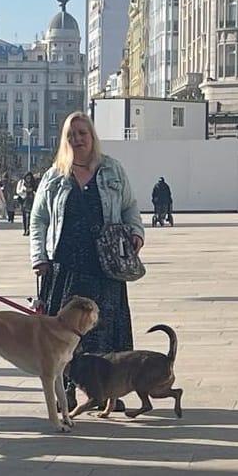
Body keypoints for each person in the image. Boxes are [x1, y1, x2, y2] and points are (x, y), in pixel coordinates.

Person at [31, 111, 144, 389]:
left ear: (92, 137)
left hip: (105, 265)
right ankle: (66, 389)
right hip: (65, 267)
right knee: (63, 334)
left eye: (82, 133)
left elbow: (130, 207)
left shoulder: (112, 169)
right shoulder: (54, 176)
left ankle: (109, 390)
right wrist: (39, 257)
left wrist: (136, 233)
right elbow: (39, 219)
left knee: (105, 330)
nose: (78, 139)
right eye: (71, 135)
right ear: (64, 140)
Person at [16, 170, 37, 235]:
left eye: (29, 178)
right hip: (23, 200)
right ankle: (25, 229)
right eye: (27, 178)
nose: (28, 179)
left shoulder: (33, 183)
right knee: (24, 216)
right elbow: (18, 191)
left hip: (31, 201)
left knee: (29, 216)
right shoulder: (21, 182)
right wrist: (24, 190)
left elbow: (36, 191)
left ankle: (28, 230)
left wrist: (32, 191)